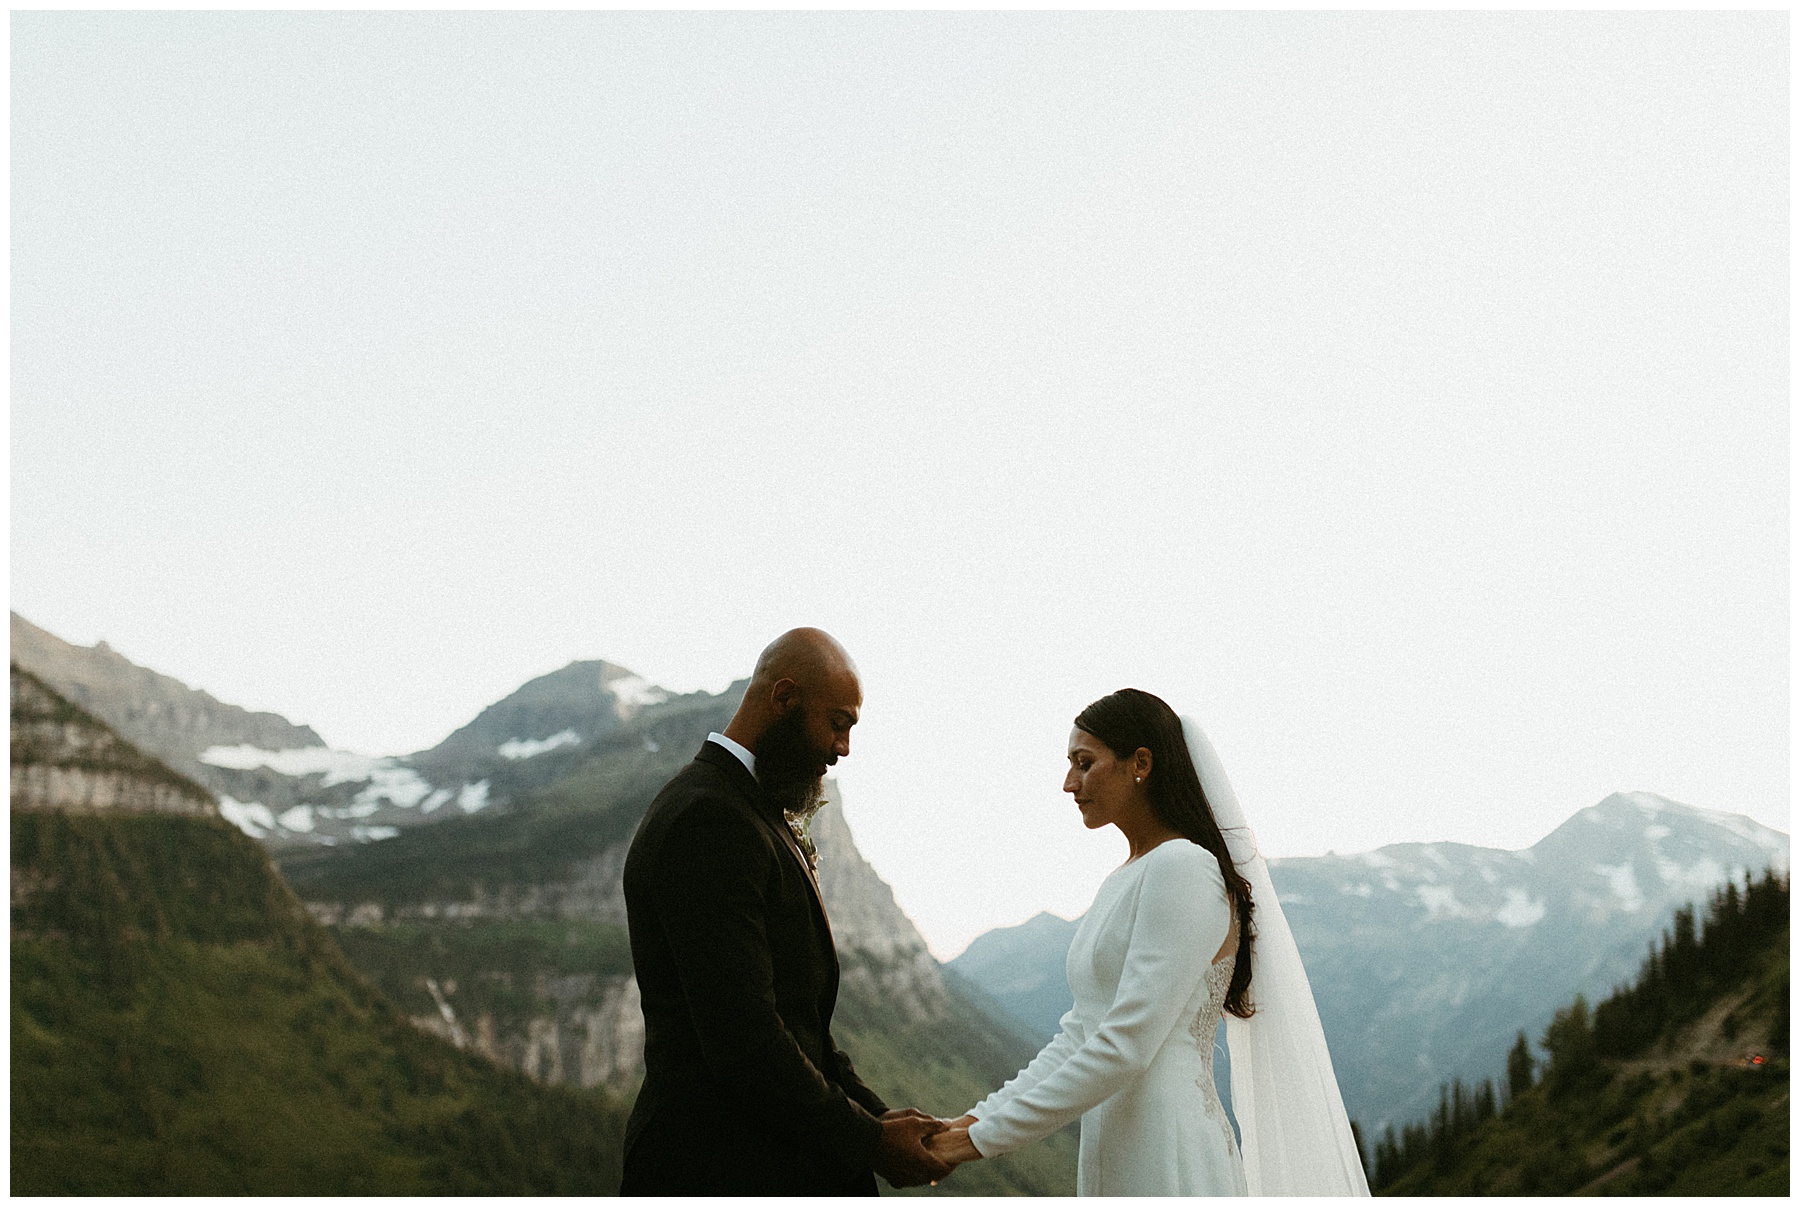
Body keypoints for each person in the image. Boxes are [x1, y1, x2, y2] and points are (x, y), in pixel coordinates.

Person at [926, 688, 1370, 1196]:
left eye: (1084, 763)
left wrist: (974, 1143)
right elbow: (1080, 1034)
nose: (1069, 783)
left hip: (1170, 1150)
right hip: (1116, 1143)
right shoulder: (1125, 877)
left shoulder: (1185, 867)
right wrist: (962, 1125)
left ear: (1140, 763)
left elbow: (1126, 1047)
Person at [619, 627, 952, 1195]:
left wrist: (880, 1120)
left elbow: (804, 1029)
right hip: (718, 1168)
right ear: (784, 698)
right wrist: (870, 1142)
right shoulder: (709, 819)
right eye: (838, 722)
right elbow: (745, 1041)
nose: (843, 747)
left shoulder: (749, 809)